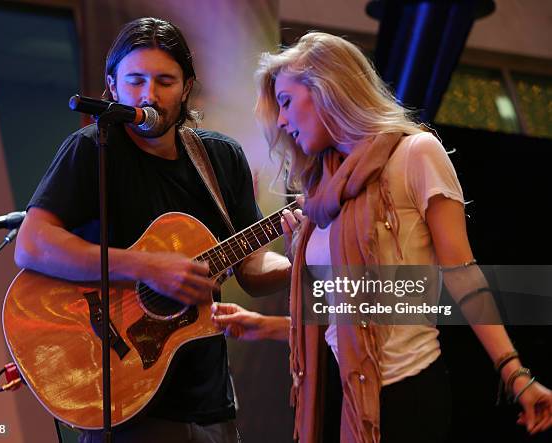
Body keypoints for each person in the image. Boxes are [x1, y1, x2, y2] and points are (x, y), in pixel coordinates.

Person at [212, 32, 552, 442]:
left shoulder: (415, 153)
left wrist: (514, 372)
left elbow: (462, 274)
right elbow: (346, 316)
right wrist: (265, 325)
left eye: (285, 102)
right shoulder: (322, 194)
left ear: (327, 88)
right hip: (340, 394)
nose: (281, 121)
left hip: (406, 393)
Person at [14, 17, 291, 443]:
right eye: (136, 80)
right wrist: (147, 268)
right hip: (125, 401)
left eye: (165, 81)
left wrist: (300, 258)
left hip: (210, 401)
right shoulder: (92, 150)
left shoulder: (221, 159)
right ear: (113, 85)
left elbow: (252, 268)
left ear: (186, 89)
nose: (149, 94)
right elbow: (32, 245)